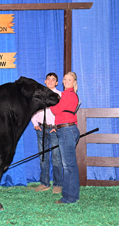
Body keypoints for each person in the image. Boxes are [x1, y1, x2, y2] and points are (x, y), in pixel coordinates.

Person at [50, 72, 80, 204]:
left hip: (67, 130)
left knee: (68, 165)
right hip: (67, 129)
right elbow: (66, 114)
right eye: (65, 79)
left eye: (69, 79)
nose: (66, 81)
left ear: (74, 82)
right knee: (69, 164)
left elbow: (55, 110)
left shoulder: (67, 95)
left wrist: (51, 100)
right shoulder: (69, 95)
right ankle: (71, 195)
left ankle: (69, 197)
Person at [31, 73, 63, 194]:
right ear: (45, 81)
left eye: (53, 79)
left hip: (54, 129)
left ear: (56, 83)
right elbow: (33, 109)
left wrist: (57, 126)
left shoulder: (60, 95)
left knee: (56, 158)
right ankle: (44, 183)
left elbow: (62, 113)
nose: (50, 81)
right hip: (41, 128)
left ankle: (57, 184)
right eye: (48, 79)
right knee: (43, 157)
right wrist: (35, 123)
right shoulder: (39, 95)